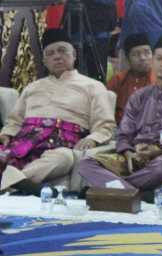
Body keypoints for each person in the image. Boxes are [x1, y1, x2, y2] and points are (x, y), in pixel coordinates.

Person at [78, 35, 162, 192]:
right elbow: (124, 134)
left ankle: (116, 189)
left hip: (161, 157)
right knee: (86, 163)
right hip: (133, 156)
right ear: (153, 62)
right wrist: (128, 153)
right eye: (159, 59)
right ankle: (132, 193)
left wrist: (157, 151)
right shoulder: (139, 97)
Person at [0, 29, 115, 193]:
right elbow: (15, 120)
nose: (57, 56)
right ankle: (19, 184)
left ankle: (13, 183)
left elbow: (105, 124)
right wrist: (6, 133)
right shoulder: (33, 87)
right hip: (26, 139)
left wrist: (94, 139)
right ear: (45, 61)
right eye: (50, 53)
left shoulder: (93, 86)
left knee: (64, 158)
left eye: (62, 51)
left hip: (63, 141)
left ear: (74, 55)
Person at [106, 33, 155, 124]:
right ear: (127, 59)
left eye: (147, 52)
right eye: (136, 54)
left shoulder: (160, 81)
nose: (143, 58)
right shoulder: (118, 80)